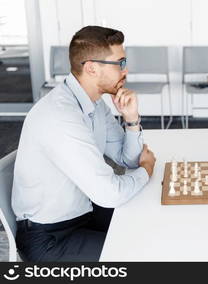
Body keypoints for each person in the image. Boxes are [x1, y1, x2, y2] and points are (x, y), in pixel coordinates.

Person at [12, 26, 156, 261]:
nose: (126, 70)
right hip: (50, 237)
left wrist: (131, 119)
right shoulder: (61, 116)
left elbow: (127, 159)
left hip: (83, 211)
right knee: (136, 253)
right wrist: (146, 171)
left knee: (147, 223)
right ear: (91, 68)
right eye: (119, 63)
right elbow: (111, 193)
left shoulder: (94, 103)